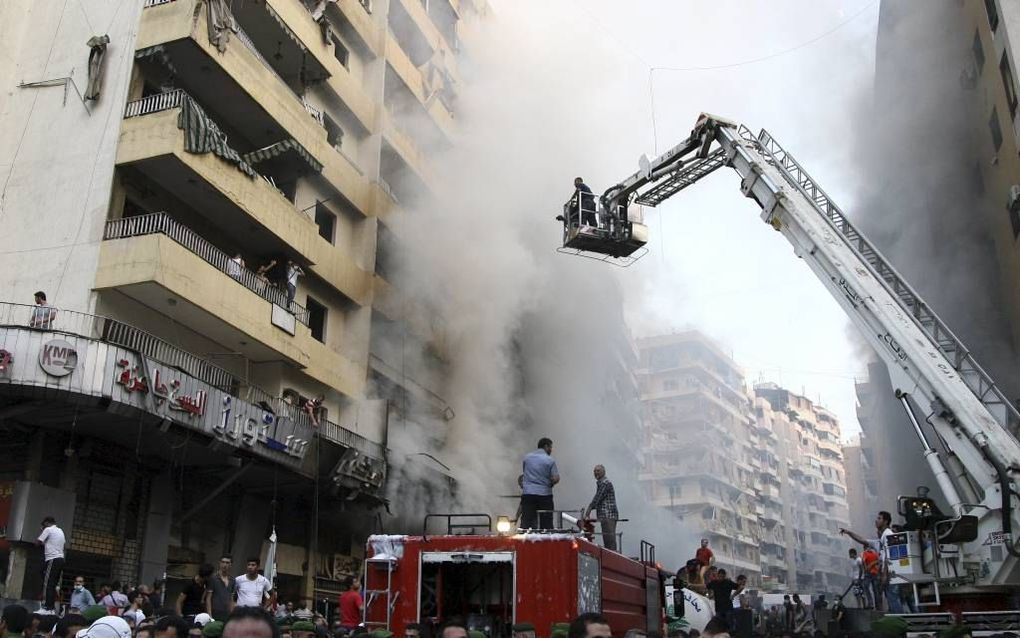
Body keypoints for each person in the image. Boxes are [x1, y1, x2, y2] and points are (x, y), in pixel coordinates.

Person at [840, 510, 900, 613]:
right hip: (886, 574)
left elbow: (888, 556)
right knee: (890, 599)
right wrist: (849, 532)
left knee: (893, 600)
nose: (876, 521)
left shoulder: (888, 535)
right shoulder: (879, 541)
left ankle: (901, 620)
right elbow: (862, 540)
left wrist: (884, 574)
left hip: (891, 574)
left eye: (879, 518)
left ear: (885, 522)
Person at [520, 437, 560, 530]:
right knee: (546, 522)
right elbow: (555, 478)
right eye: (550, 447)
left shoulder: (527, 458)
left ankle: (524, 540)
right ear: (546, 446)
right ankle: (546, 540)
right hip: (544, 495)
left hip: (528, 494)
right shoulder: (549, 460)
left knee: (526, 521)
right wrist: (551, 482)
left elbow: (525, 473)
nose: (551, 450)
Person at [583, 465, 619, 551]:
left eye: (598, 471)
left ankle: (612, 558)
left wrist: (588, 510)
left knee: (610, 541)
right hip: (605, 517)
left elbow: (597, 498)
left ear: (604, 472)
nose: (596, 473)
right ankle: (611, 557)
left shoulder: (605, 483)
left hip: (608, 516)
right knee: (607, 541)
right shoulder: (601, 483)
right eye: (594, 471)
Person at [36, 517, 65, 613]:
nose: (43, 527)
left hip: (52, 559)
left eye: (43, 525)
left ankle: (46, 607)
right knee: (52, 585)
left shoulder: (48, 529)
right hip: (60, 559)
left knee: (47, 583)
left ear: (47, 523)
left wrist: (42, 531)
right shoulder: (60, 530)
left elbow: (38, 543)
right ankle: (51, 608)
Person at [207, 555, 236, 621]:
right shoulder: (213, 578)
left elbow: (232, 598)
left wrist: (232, 614)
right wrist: (209, 615)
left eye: (227, 563)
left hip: (227, 613)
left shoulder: (232, 580)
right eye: (223, 562)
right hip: (214, 612)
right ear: (219, 563)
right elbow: (208, 598)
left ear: (231, 565)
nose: (224, 565)